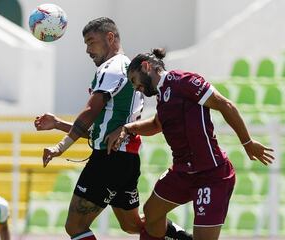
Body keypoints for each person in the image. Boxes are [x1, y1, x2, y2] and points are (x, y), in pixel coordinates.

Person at [34, 18, 192, 240]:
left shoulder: (112, 67)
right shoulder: (128, 70)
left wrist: (61, 147)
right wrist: (59, 124)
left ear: (110, 38)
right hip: (125, 160)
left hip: (108, 161)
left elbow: (90, 112)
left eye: (91, 42)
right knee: (133, 224)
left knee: (75, 226)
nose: (88, 50)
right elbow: (105, 132)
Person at [105, 48, 275, 240]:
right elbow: (156, 124)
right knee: (151, 214)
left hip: (212, 174)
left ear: (146, 67)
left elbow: (224, 104)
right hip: (182, 172)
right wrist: (127, 128)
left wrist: (247, 142)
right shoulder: (162, 95)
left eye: (135, 81)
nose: (136, 88)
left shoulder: (183, 81)